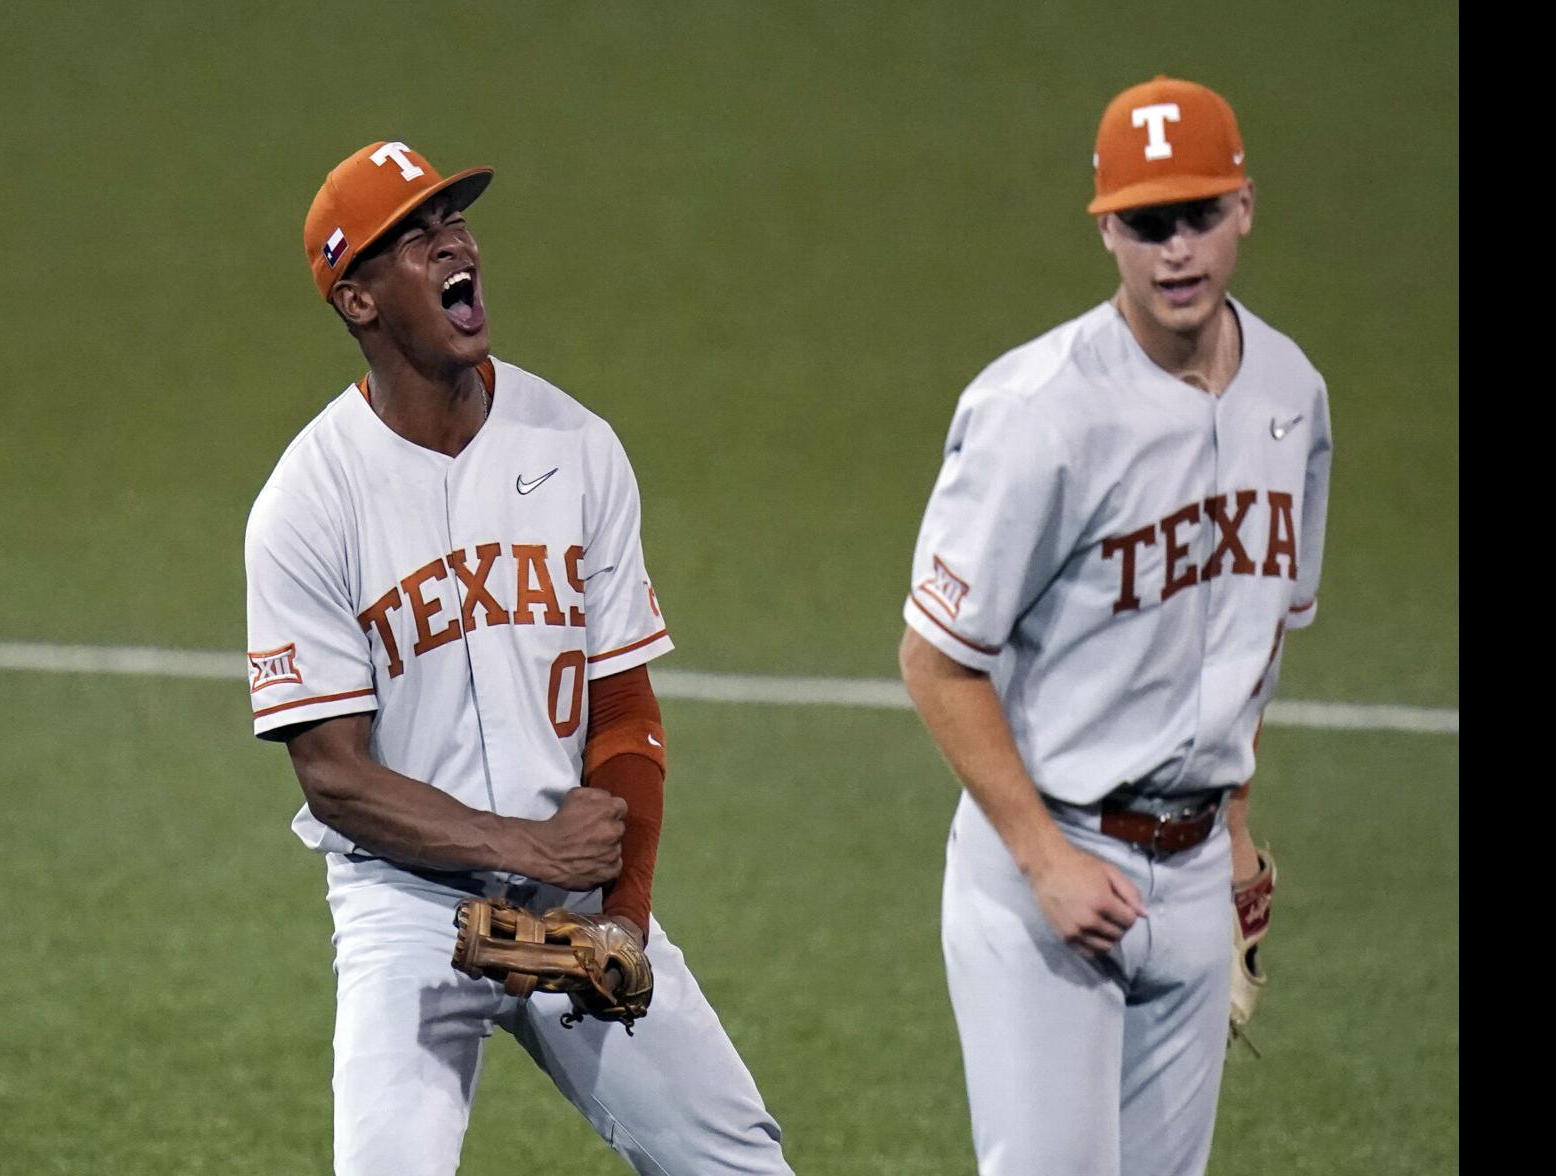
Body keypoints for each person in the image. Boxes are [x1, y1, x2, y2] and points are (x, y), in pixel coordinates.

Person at [245, 140, 793, 1176]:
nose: (452, 238)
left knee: (736, 1162)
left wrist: (622, 922)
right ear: (358, 300)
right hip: (405, 909)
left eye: (450, 217)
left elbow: (623, 706)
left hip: (574, 909)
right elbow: (334, 777)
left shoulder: (575, 446)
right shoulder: (307, 504)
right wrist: (524, 845)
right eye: (412, 234)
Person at [897, 77, 1331, 1176]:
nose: (1173, 250)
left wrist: (1233, 827)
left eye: (1196, 215)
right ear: (1105, 229)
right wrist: (1045, 862)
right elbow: (936, 660)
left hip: (1190, 876)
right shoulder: (1036, 411)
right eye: (1145, 224)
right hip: (1049, 867)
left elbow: (1255, 637)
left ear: (1244, 207)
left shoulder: (1292, 394)